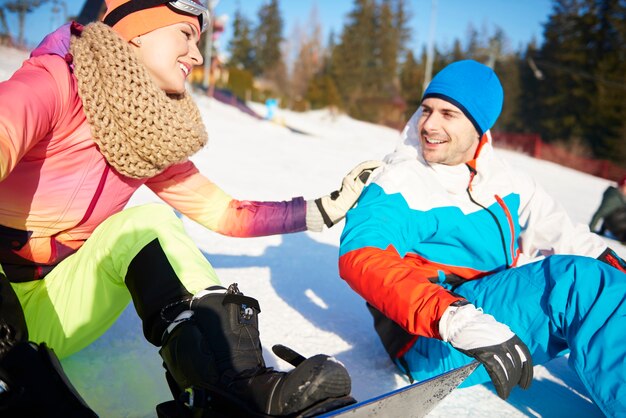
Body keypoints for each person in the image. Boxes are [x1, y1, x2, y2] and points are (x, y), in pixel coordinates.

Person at [0, 0, 382, 415]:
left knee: (147, 224)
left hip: (57, 307)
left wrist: (320, 209)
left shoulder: (145, 132)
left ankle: (232, 389)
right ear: (137, 29)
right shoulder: (53, 83)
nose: (197, 55)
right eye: (185, 34)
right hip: (6, 310)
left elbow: (223, 212)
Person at [338, 60, 626, 417]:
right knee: (578, 284)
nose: (429, 124)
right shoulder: (401, 182)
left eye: (448, 114)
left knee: (610, 286)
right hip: (434, 336)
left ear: (479, 126)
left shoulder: (504, 179)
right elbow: (360, 255)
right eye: (426, 110)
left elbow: (566, 234)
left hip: (484, 315)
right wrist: (452, 317)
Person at [589, 175, 626, 243]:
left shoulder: (621, 198)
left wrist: (602, 230)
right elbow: (600, 213)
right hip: (622, 232)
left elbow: (609, 213)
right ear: (621, 186)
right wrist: (590, 230)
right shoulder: (613, 197)